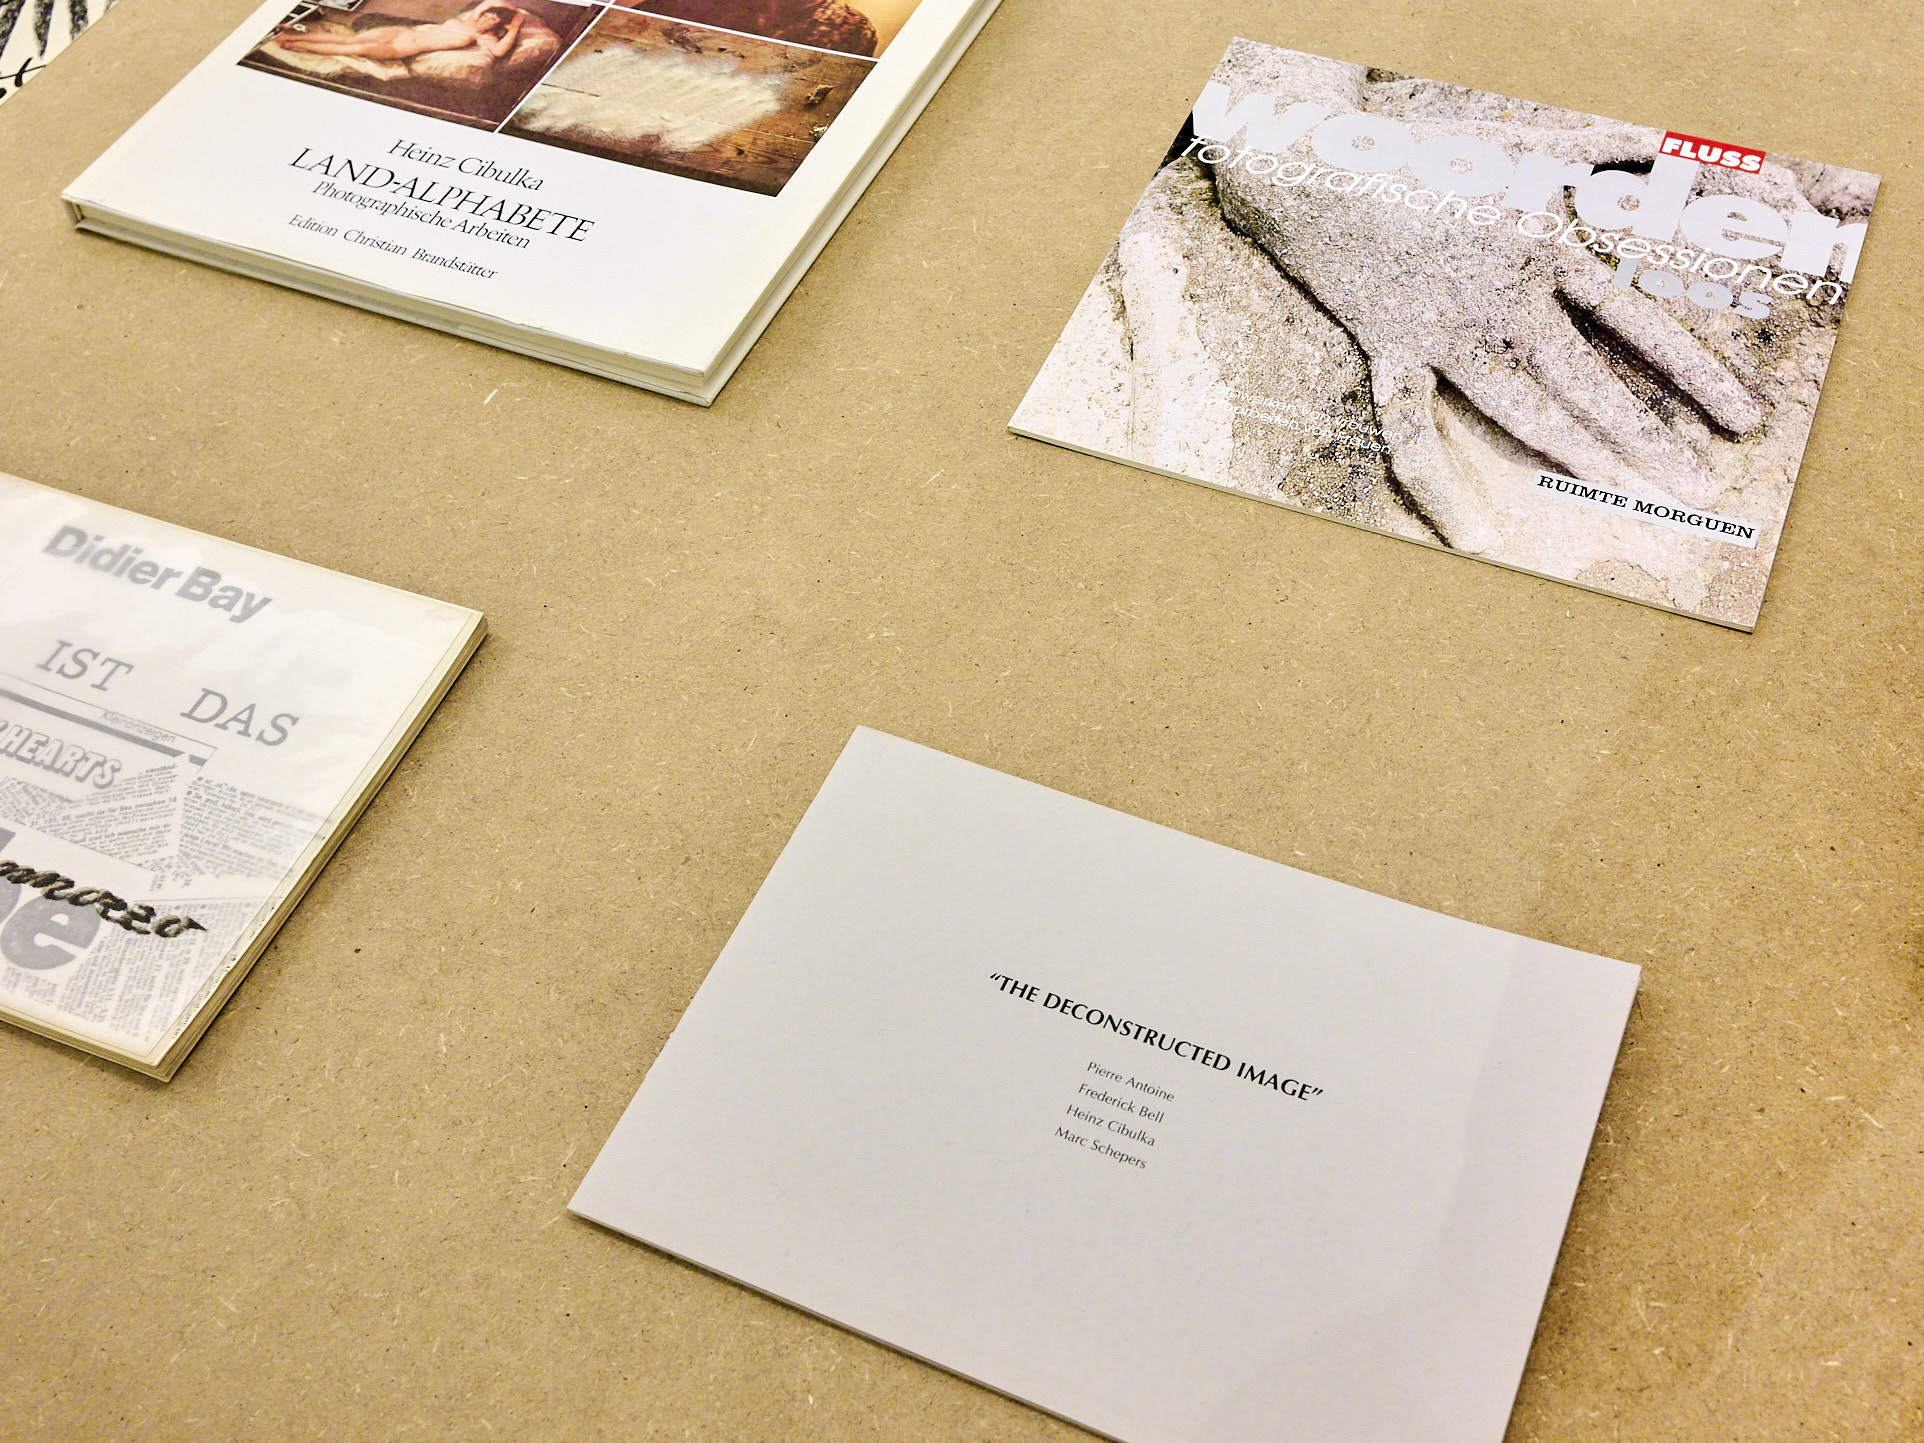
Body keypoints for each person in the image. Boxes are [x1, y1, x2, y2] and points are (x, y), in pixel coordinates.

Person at [275, 2, 529, 62]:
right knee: (350, 39)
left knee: (354, 48)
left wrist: (515, 24)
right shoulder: (469, 18)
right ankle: (293, 35)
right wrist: (504, 11)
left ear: (496, 26)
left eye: (493, 21)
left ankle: (294, 44)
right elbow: (492, 2)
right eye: (487, 15)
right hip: (400, 33)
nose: (486, 20)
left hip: (401, 48)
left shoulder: (484, 37)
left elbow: (498, 51)